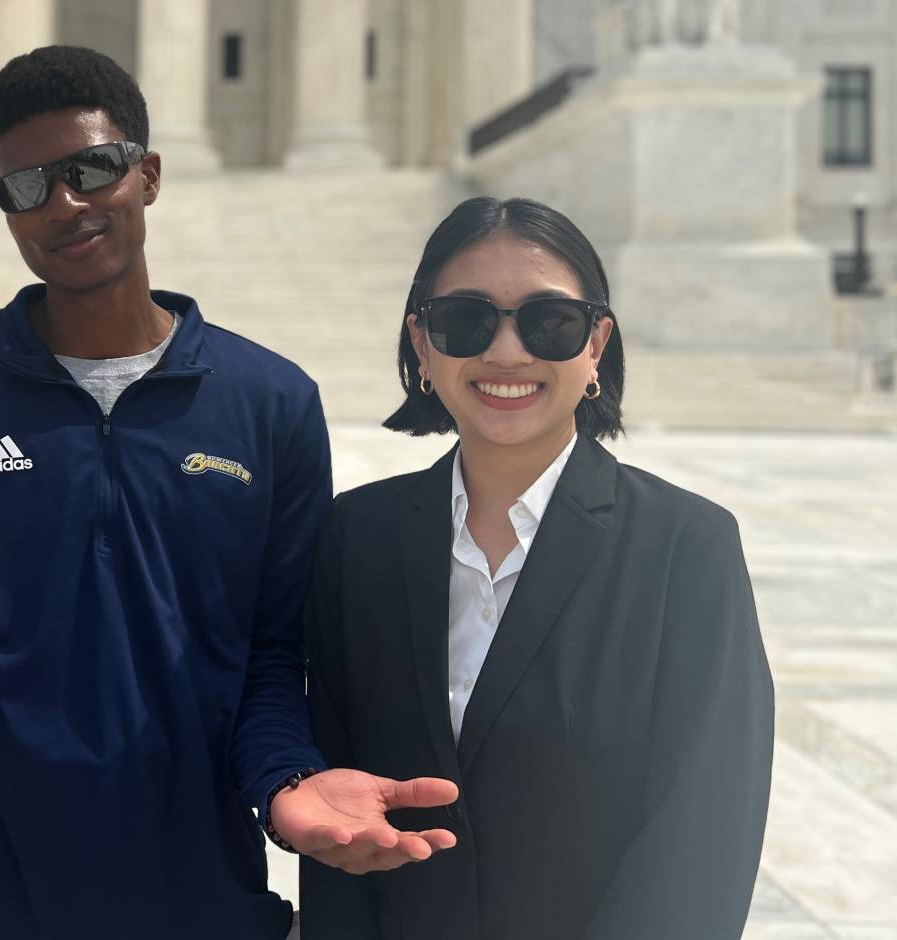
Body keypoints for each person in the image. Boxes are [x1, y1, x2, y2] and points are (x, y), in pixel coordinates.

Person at [0, 46, 457, 940]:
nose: (63, 204)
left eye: (91, 169)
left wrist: (287, 784)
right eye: (26, 186)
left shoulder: (269, 403)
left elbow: (269, 657)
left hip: (196, 903)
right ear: (3, 208)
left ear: (146, 175)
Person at [299, 197, 775, 939]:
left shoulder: (689, 547)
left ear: (596, 345)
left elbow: (702, 836)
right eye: (467, 320)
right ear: (421, 345)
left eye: (549, 322)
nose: (508, 353)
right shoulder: (355, 537)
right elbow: (340, 812)